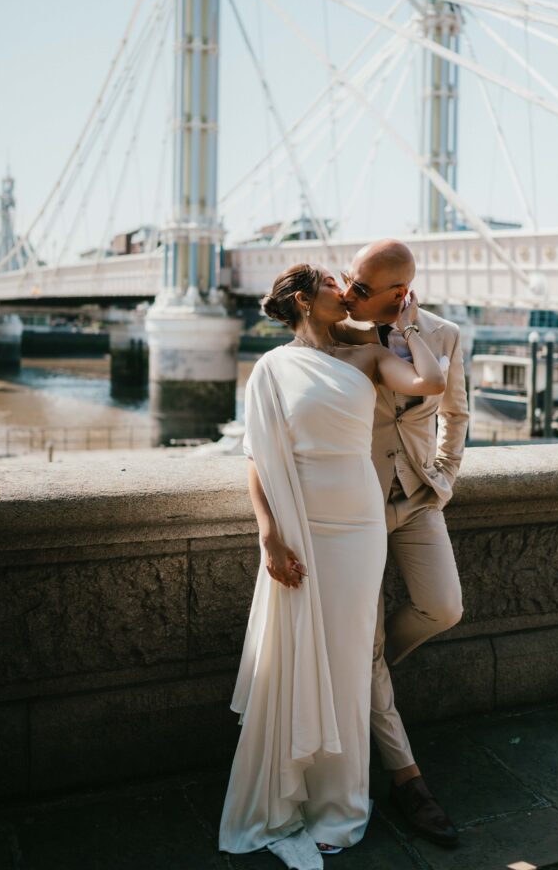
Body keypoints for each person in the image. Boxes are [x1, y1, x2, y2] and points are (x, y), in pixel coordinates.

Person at [218, 263, 446, 870]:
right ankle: (298, 793)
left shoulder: (368, 357)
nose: (344, 291)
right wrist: (269, 536)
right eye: (330, 282)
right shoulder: (271, 369)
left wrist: (405, 321)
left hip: (361, 526)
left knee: (347, 662)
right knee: (301, 656)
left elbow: (430, 383)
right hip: (304, 524)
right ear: (301, 298)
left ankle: (344, 805)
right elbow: (259, 457)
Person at [336, 239, 469, 848]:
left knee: (442, 607)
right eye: (349, 281)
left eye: (364, 289)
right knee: (361, 652)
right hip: (354, 505)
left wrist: (444, 475)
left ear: (400, 292)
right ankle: (408, 779)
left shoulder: (442, 334)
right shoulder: (335, 330)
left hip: (415, 497)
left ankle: (367, 670)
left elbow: (456, 413)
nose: (350, 295)